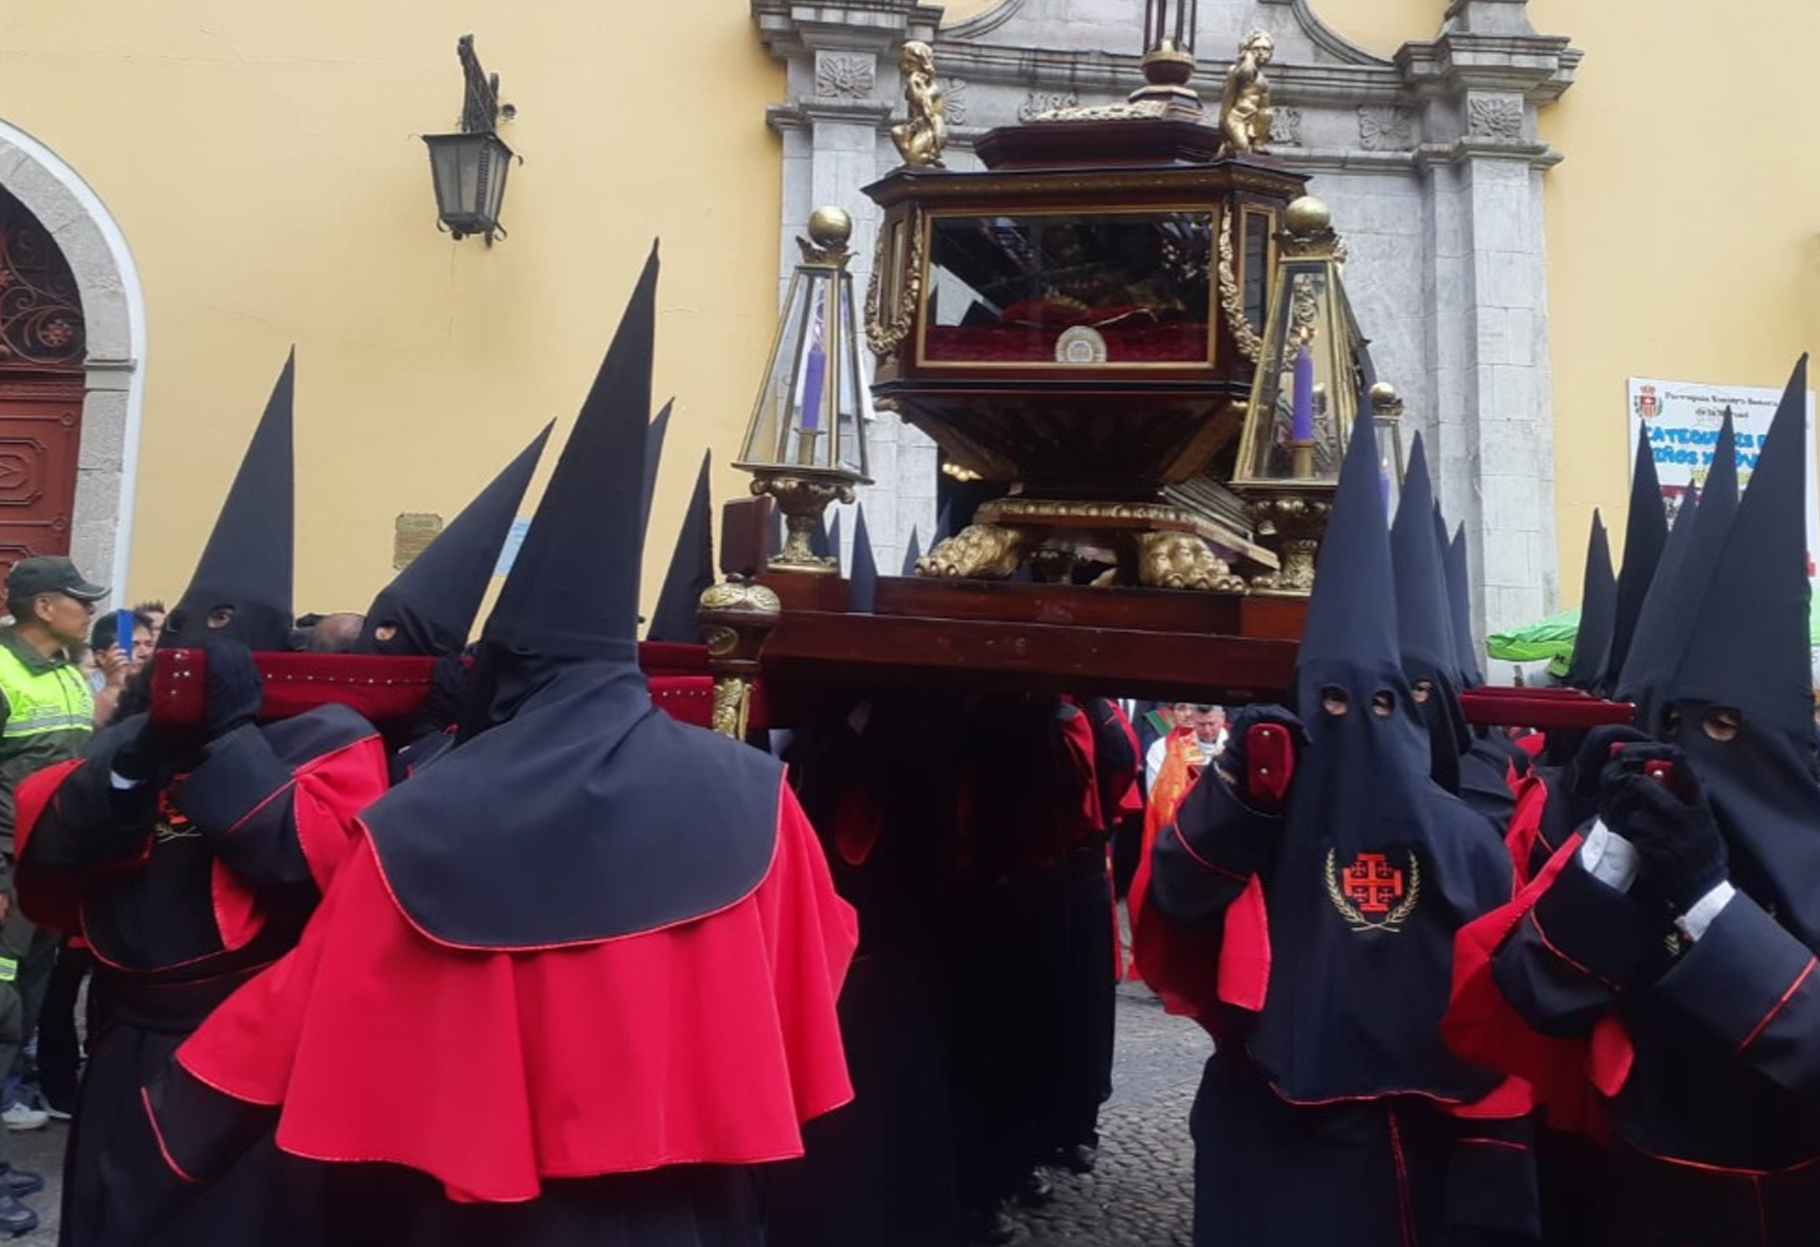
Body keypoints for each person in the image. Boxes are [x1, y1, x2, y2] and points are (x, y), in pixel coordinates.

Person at [146, 248, 858, 1247]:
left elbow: (316, 1012)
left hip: (478, 1212)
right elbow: (816, 961)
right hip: (690, 1203)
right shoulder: (752, 793)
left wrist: (169, 1121)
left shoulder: (412, 819)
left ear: (505, 664)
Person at [12, 355, 393, 1247]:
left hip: (254, 1050)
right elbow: (56, 852)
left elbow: (306, 867)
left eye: (224, 633)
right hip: (126, 1037)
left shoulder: (330, 738)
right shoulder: (130, 736)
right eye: (185, 630)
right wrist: (145, 756)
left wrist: (227, 739)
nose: (195, 646)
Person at [1134, 405, 1536, 1247]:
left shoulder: (1464, 838)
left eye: (1384, 704)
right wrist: (1240, 791)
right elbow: (1175, 900)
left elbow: (1502, 1007)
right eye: (1334, 703)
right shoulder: (1266, 825)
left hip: (1427, 1130)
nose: (1359, 722)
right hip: (1282, 1121)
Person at [1449, 359, 1820, 1245]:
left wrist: (1712, 900)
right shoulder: (1655, 825)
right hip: (1629, 1194)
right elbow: (1529, 1003)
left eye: (1719, 728)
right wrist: (1604, 847)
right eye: (1667, 729)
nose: (1691, 760)